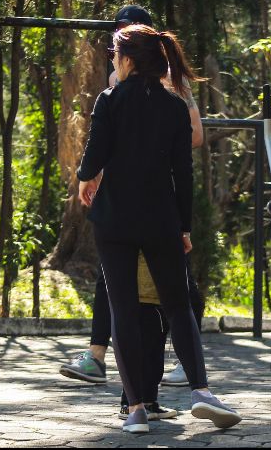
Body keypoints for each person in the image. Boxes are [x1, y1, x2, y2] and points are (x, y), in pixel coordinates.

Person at [77, 23, 241, 432]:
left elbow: (95, 153)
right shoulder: (174, 106)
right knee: (178, 304)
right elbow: (182, 174)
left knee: (124, 310)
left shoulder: (110, 99)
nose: (112, 60)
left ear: (127, 59)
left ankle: (135, 410)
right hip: (161, 218)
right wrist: (183, 226)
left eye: (115, 54)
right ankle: (201, 390)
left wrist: (85, 177)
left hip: (114, 219)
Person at [59, 5, 203, 397]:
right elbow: (176, 165)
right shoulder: (129, 91)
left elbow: (189, 140)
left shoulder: (151, 91)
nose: (113, 52)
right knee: (142, 300)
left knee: (158, 303)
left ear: (133, 47)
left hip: (133, 210)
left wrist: (94, 173)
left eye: (118, 42)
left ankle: (144, 401)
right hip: (150, 212)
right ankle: (159, 392)